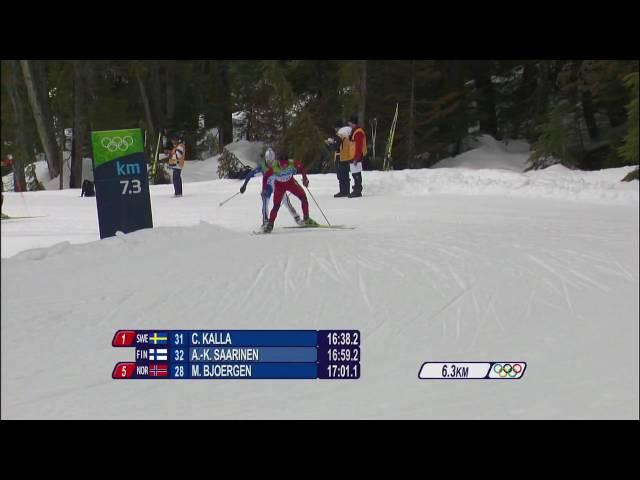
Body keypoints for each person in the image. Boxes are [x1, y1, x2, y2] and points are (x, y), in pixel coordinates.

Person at [239, 147, 304, 227]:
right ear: (266, 159)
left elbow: (287, 170)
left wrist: (293, 176)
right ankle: (265, 222)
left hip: (278, 186)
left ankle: (297, 218)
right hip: (267, 187)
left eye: (272, 161)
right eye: (268, 161)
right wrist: (244, 185)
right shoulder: (262, 167)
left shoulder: (278, 164)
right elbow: (250, 174)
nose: (270, 164)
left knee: (287, 202)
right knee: (265, 203)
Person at [261, 152, 318, 233]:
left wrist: (305, 178)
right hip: (279, 186)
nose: (284, 167)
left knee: (303, 197)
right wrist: (264, 189)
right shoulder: (274, 167)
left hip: (291, 183)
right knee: (276, 205)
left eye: (285, 165)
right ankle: (270, 224)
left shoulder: (292, 163)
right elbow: (265, 177)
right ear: (279, 162)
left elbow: (301, 168)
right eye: (282, 165)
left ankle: (306, 218)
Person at [347, 115, 367, 198]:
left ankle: (358, 190)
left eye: (350, 123)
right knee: (354, 173)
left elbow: (358, 146)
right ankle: (356, 188)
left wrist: (356, 158)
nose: (349, 125)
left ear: (352, 123)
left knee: (356, 174)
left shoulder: (358, 132)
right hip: (353, 155)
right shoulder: (355, 131)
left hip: (356, 156)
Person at [334, 122, 352, 197]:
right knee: (345, 174)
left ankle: (343, 191)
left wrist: (331, 144)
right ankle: (346, 190)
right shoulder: (347, 135)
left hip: (340, 157)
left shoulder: (340, 135)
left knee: (341, 175)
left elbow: (336, 147)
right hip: (346, 157)